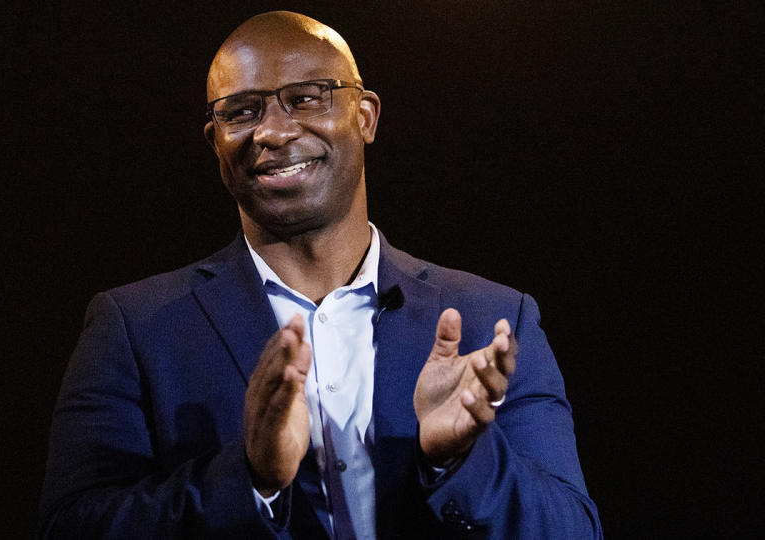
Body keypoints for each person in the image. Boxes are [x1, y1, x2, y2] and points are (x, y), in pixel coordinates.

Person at [39, 11, 601, 540]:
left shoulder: (494, 318)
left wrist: (460, 460)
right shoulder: (133, 327)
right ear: (216, 143)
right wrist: (250, 478)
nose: (274, 132)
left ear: (366, 117)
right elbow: (71, 527)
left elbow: (574, 529)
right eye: (241, 111)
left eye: (306, 99)